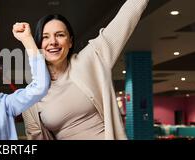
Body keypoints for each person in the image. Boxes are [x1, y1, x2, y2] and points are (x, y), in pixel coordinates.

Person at [22, 0, 149, 140]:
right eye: (45, 37)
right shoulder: (30, 98)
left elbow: (127, 16)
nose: (53, 41)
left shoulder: (90, 60)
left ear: (70, 42)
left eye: (60, 35)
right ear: (38, 44)